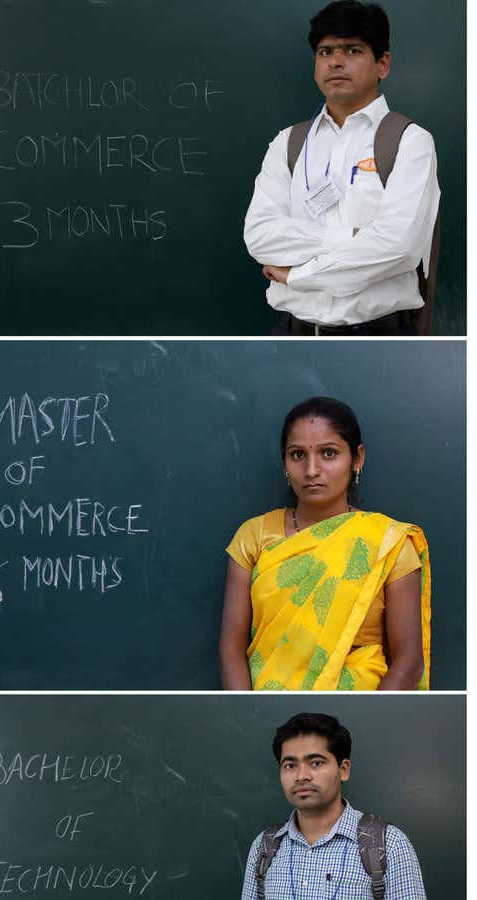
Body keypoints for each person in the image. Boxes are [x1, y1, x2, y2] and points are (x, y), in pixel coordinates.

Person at [242, 1, 439, 335]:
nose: (335, 61)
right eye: (325, 51)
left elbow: (398, 248)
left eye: (353, 50)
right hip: (293, 331)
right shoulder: (288, 143)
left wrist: (298, 275)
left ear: (383, 64)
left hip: (380, 333)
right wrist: (353, 236)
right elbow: (260, 238)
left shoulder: (409, 141)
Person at [219, 397, 428, 691]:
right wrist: (249, 713)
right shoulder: (253, 536)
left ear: (357, 459)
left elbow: (409, 663)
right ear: (284, 461)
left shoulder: (388, 542)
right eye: (298, 455)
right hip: (268, 705)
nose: (312, 470)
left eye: (329, 453)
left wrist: (366, 724)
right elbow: (231, 649)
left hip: (361, 708)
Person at [240, 713, 425, 899]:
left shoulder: (389, 844)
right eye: (290, 765)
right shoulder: (263, 848)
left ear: (343, 770)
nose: (301, 776)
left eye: (316, 763)